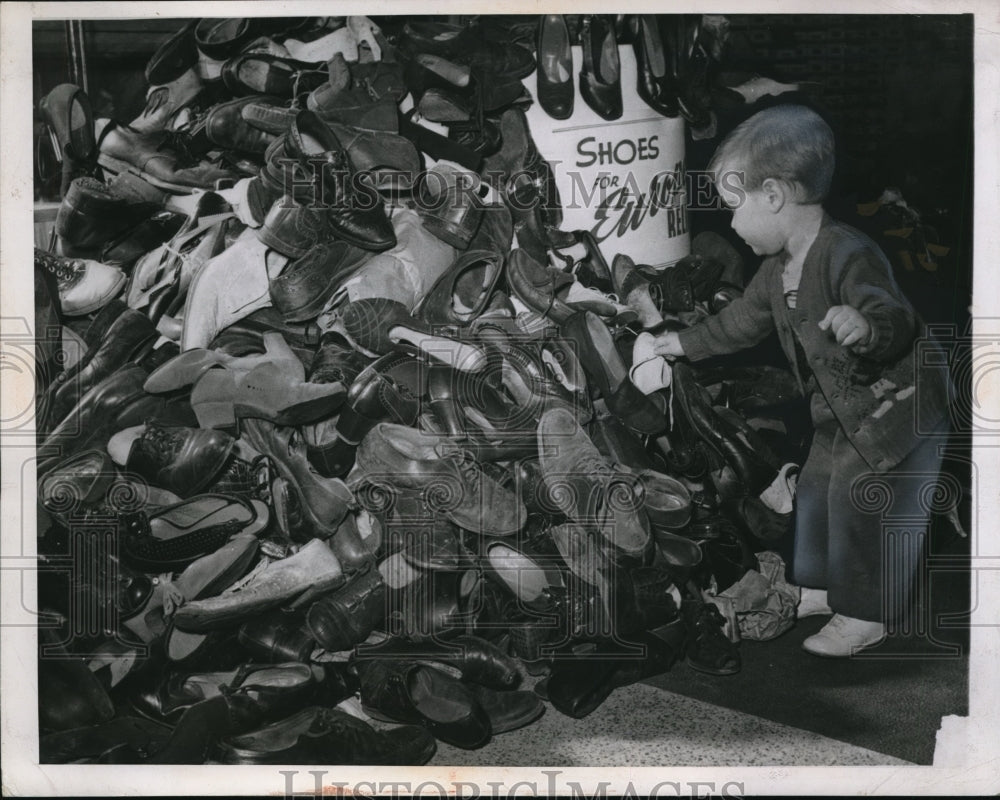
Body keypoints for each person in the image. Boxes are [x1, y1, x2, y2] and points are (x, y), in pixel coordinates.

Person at [654, 105, 952, 657]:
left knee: (863, 501)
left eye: (733, 208)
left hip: (899, 410)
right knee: (815, 487)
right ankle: (818, 585)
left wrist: (865, 326)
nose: (732, 225)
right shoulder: (776, 269)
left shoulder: (847, 251)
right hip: (843, 408)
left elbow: (893, 315)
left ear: (772, 196)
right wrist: (683, 343)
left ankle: (866, 613)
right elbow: (743, 320)